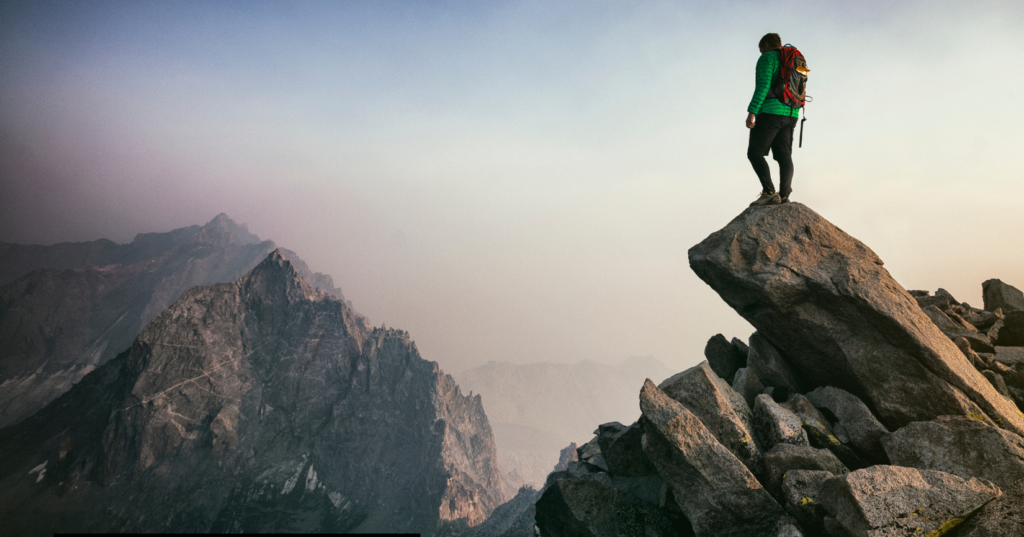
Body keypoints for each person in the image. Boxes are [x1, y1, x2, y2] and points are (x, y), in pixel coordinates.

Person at [746, 32, 801, 206]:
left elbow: (763, 86)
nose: (761, 53)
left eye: (761, 49)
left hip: (770, 112)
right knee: (784, 154)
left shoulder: (767, 58)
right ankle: (784, 196)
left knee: (754, 152)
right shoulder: (793, 59)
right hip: (791, 113)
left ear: (767, 45)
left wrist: (752, 112)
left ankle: (769, 192)